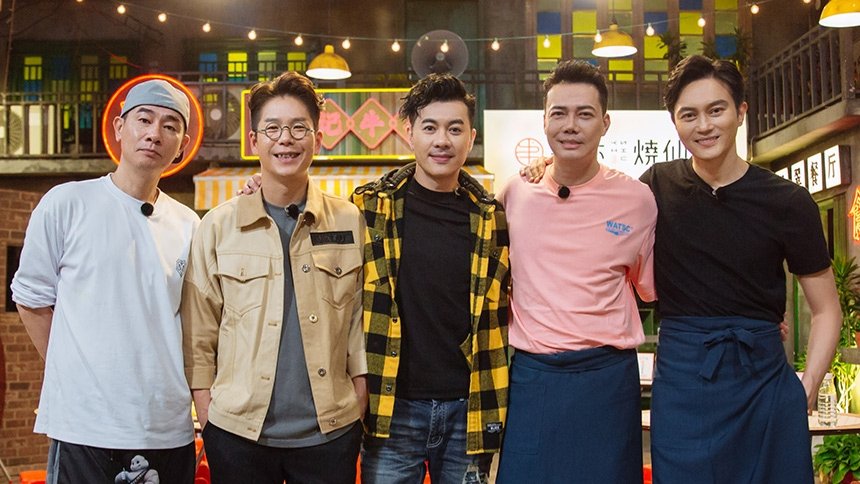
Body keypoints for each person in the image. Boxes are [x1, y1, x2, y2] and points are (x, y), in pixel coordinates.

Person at [639, 55, 840, 483]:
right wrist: (545, 171)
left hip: (763, 382)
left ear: (741, 111)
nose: (704, 126)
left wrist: (806, 387)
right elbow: (596, 212)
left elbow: (826, 309)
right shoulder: (655, 186)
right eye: (689, 115)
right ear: (675, 123)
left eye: (716, 110)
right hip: (683, 383)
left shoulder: (788, 201)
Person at [180, 71, 367, 484]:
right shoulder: (218, 226)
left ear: (318, 139)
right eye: (273, 128)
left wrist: (359, 397)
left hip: (330, 435)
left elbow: (358, 319)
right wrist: (208, 414)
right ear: (254, 140)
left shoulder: (349, 220)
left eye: (299, 127)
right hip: (237, 435)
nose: (286, 139)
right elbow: (199, 330)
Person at [12, 79, 199, 483]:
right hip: (85, 426)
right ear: (119, 127)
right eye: (144, 120)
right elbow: (30, 299)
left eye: (169, 126)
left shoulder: (189, 224)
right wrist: (75, 370)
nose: (154, 133)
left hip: (167, 427)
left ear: (182, 145)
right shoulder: (66, 203)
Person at [495, 60, 656, 483]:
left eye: (584, 114)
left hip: (608, 378)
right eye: (559, 113)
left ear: (605, 123)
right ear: (544, 122)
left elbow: (648, 286)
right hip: (534, 376)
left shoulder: (637, 200)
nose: (571, 125)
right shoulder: (515, 193)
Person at [351, 74, 510, 484]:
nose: (442, 140)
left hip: (469, 408)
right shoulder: (369, 208)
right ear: (409, 133)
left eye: (455, 129)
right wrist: (258, 187)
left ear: (471, 137)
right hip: (392, 408)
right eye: (430, 127)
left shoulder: (492, 218)